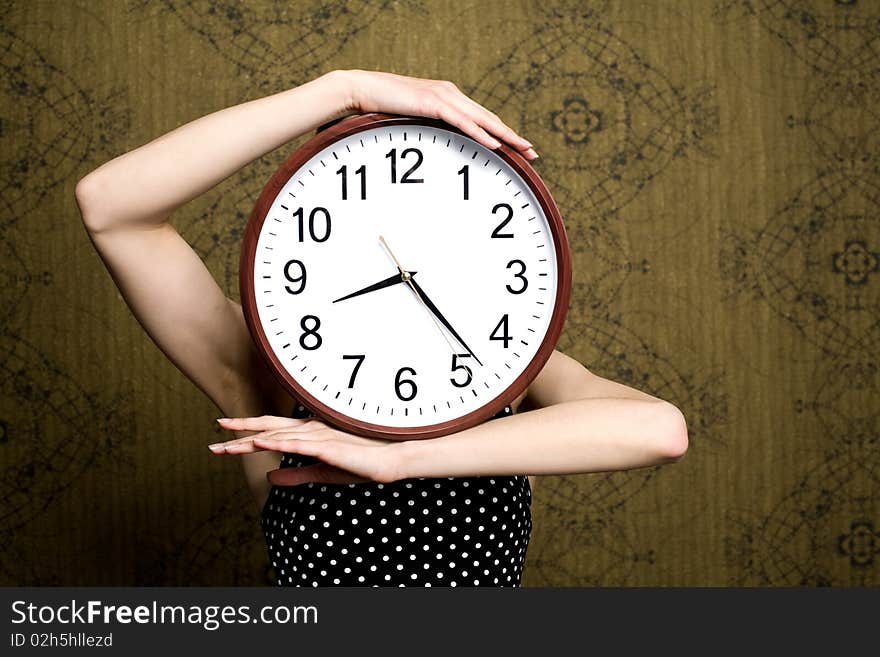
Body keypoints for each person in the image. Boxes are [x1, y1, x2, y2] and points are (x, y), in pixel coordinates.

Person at [74, 69, 688, 587]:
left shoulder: (504, 372)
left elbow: (659, 431)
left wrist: (404, 460)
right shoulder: (262, 374)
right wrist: (345, 90)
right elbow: (111, 206)